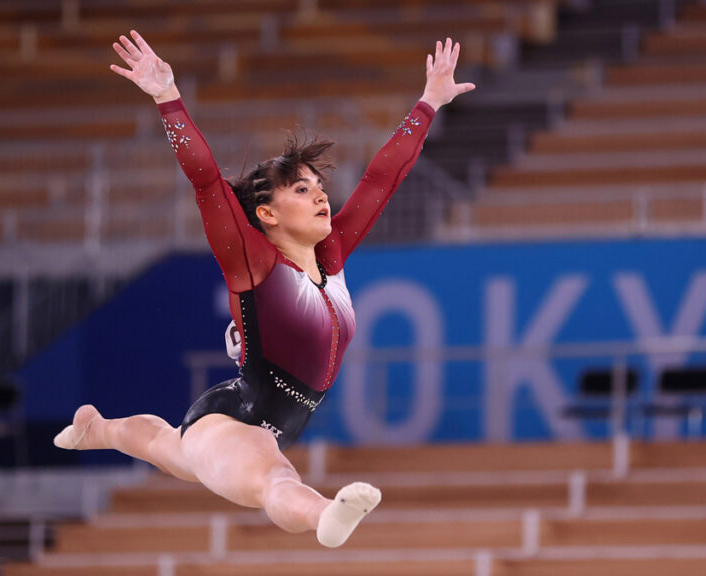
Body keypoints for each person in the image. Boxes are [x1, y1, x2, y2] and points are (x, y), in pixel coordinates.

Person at [54, 30, 474, 548]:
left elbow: (382, 180)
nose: (321, 196)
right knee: (272, 478)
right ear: (267, 214)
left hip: (252, 419)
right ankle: (327, 514)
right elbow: (207, 182)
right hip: (233, 422)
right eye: (302, 190)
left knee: (168, 444)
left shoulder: (332, 253)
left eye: (319, 187)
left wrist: (429, 102)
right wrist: (168, 97)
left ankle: (97, 429)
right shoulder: (254, 263)